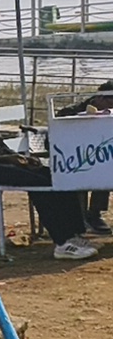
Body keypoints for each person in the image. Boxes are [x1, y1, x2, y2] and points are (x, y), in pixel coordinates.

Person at [0, 67, 97, 259]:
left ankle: (75, 233)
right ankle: (62, 241)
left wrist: (22, 160)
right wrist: (8, 159)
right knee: (38, 183)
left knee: (57, 175)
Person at [54, 79, 113, 234]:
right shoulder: (71, 111)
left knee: (105, 169)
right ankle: (80, 217)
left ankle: (94, 213)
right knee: (83, 174)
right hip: (73, 156)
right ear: (100, 98)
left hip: (100, 155)